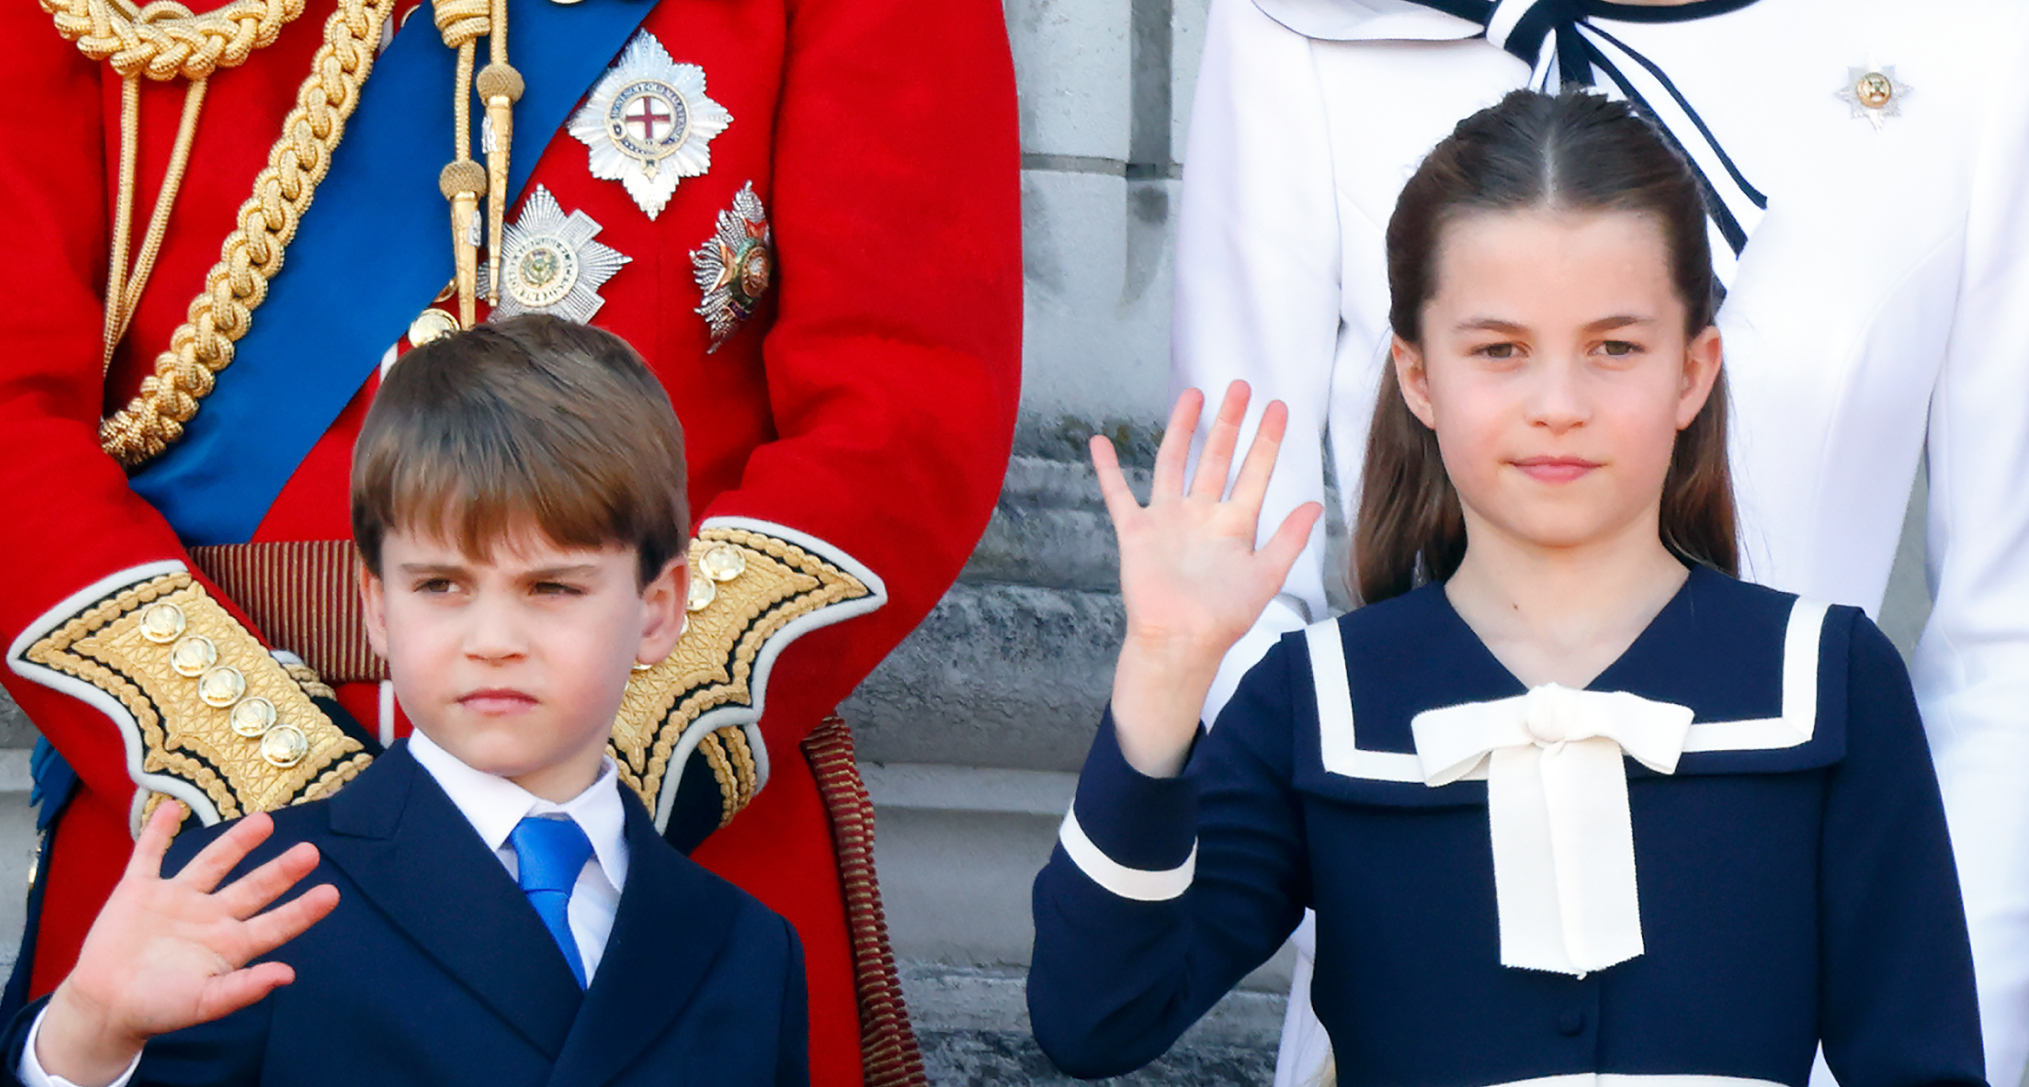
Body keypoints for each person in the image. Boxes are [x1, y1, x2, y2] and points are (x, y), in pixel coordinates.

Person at [0, 0, 1020, 1082]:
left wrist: (578, 767)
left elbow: (902, 417)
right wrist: (293, 801)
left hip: (651, 862)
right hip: (215, 862)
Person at [1028, 90, 1986, 1086]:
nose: (1558, 406)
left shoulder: (1830, 682)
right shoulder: (1312, 699)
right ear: (1416, 376)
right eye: (1499, 351)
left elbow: (1923, 1065)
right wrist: (1164, 671)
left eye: (1614, 348)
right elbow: (1093, 1018)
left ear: (1693, 371)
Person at [6, 316, 807, 1087]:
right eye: (441, 585)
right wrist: (86, 1033)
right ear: (378, 608)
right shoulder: (251, 896)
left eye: (552, 587)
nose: (493, 638)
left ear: (659, 609)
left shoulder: (747, 948)